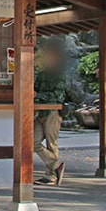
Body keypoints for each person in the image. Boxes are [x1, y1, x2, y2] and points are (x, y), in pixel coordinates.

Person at [33, 40, 67, 186]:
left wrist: (37, 97)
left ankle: (51, 176)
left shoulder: (60, 75)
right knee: (32, 142)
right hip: (40, 112)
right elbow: (34, 90)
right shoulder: (41, 74)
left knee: (51, 144)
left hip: (53, 112)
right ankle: (56, 165)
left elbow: (58, 96)